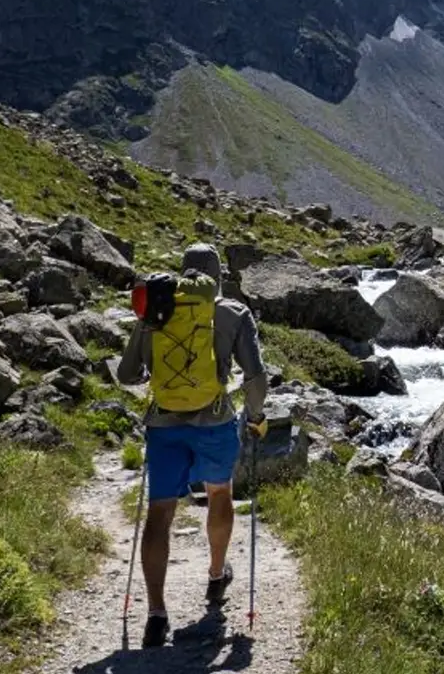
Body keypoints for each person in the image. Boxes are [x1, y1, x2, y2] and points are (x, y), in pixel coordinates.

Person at [118, 243, 267, 649]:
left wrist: (153, 376)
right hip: (215, 421)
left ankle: (155, 614)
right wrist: (255, 417)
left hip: (163, 424)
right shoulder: (233, 312)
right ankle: (216, 576)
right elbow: (255, 377)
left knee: (160, 513)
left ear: (183, 271)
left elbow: (127, 373)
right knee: (219, 493)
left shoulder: (157, 307)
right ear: (218, 277)